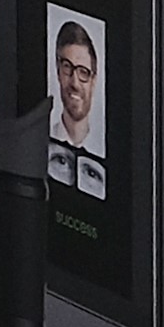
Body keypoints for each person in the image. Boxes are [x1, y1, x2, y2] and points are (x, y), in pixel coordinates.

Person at [49, 17, 106, 196]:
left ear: (94, 80)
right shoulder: (43, 140)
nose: (74, 83)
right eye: (67, 67)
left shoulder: (102, 149)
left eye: (83, 72)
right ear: (58, 71)